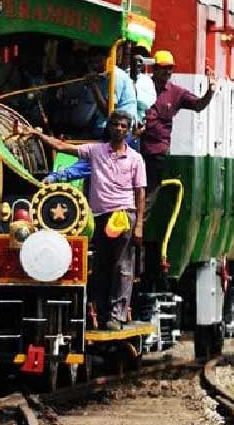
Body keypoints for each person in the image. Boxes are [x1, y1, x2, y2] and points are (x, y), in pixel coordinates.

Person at [27, 111, 146, 331]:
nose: (119, 129)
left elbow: (140, 192)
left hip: (123, 215)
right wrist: (37, 134)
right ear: (109, 127)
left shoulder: (135, 159)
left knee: (122, 266)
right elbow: (62, 147)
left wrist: (139, 224)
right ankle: (102, 313)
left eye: (123, 126)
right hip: (100, 215)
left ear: (128, 130)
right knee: (101, 266)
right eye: (115, 125)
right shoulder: (95, 151)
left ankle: (117, 315)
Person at [140, 50, 216, 194]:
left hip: (157, 150)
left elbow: (198, 105)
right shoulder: (142, 86)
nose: (168, 72)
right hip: (136, 146)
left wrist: (210, 92)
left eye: (170, 68)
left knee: (151, 189)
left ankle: (144, 210)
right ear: (154, 69)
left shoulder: (176, 93)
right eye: (164, 67)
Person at [84, 48, 137, 138]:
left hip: (120, 129)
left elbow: (108, 112)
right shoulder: (102, 76)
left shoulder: (115, 76)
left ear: (108, 60)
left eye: (98, 61)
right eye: (92, 63)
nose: (95, 65)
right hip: (107, 125)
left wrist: (93, 85)